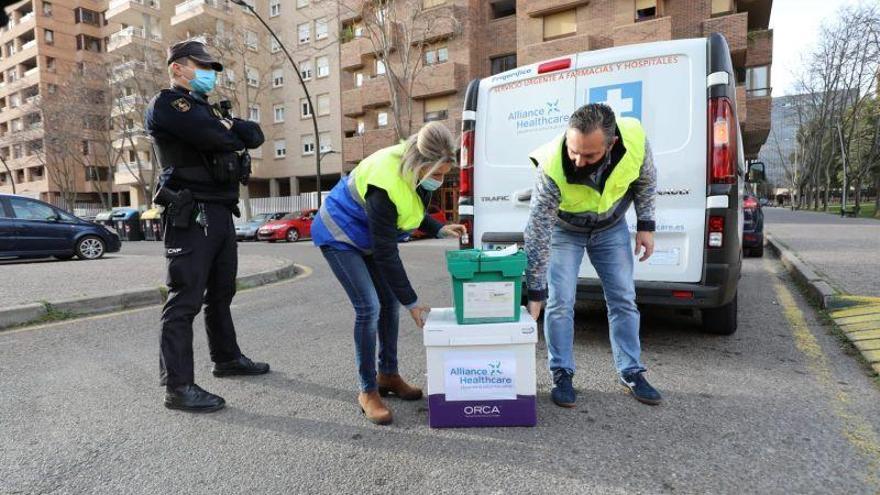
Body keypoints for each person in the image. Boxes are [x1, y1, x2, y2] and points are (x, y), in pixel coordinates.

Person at [312, 122, 466, 425]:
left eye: (444, 173)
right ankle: (367, 390)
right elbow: (386, 253)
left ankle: (388, 374)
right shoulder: (386, 180)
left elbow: (410, 207)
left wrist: (437, 226)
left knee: (388, 304)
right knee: (369, 307)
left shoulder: (416, 166)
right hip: (339, 235)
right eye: (436, 174)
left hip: (368, 237)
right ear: (420, 163)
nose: (440, 179)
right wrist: (412, 301)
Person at [146, 39, 269, 413]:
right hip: (190, 211)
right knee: (184, 300)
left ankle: (226, 358)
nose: (208, 73)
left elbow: (255, 135)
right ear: (177, 68)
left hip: (219, 211)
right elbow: (216, 137)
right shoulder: (169, 105)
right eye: (200, 66)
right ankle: (178, 387)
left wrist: (227, 126)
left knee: (221, 292)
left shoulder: (205, 108)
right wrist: (228, 128)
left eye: (211, 67)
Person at [524, 103, 662, 407]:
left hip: (610, 227)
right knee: (559, 302)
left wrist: (646, 225)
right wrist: (535, 290)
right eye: (573, 150)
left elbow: (646, 179)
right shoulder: (552, 167)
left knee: (623, 298)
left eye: (589, 155)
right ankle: (562, 373)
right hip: (565, 229)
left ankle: (631, 371)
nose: (577, 160)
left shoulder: (635, 138)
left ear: (611, 144)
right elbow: (537, 232)